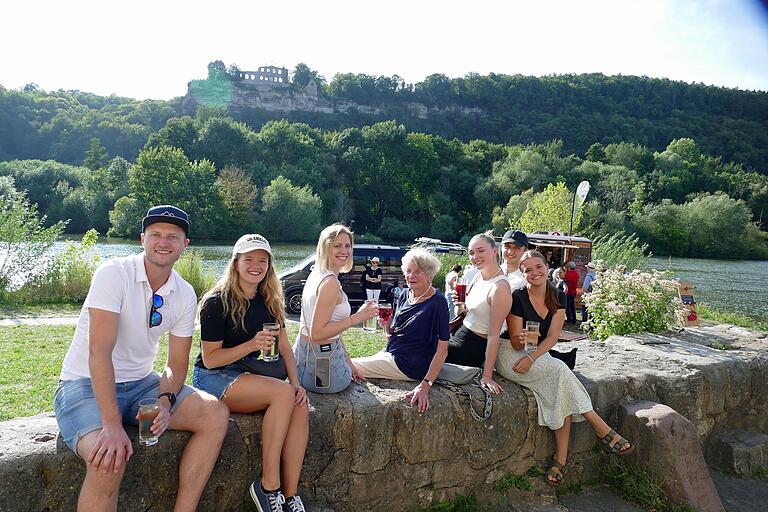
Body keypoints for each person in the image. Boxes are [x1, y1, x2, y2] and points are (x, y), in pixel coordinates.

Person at [53, 205, 229, 512]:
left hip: (140, 386)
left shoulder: (185, 293)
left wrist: (164, 400)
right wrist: (110, 425)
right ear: (142, 239)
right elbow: (99, 352)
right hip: (85, 383)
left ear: (184, 245)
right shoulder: (114, 273)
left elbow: (176, 363)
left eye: (173, 236)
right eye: (156, 235)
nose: (164, 242)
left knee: (214, 414)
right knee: (108, 458)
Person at [496, 250, 634, 487]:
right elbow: (518, 343)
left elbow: (552, 338)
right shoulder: (517, 296)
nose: (534, 272)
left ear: (546, 266)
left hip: (539, 355)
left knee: (560, 386)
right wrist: (527, 343)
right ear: (522, 273)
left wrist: (534, 355)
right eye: (527, 269)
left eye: (538, 266)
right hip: (511, 354)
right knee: (560, 372)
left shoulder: (558, 296)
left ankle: (561, 459)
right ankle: (601, 429)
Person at [192, 234, 309, 512]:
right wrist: (251, 345)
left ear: (269, 265)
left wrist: (296, 383)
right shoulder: (216, 302)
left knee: (299, 404)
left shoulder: (269, 299)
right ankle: (268, 487)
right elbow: (210, 360)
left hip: (249, 373)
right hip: (215, 375)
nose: (256, 266)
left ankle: (289, 496)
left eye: (262, 260)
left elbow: (285, 348)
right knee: (282, 395)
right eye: (249, 259)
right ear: (235, 263)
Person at [352, 248, 451, 412]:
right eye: (409, 271)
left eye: (418, 271)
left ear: (430, 275)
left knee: (348, 365)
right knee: (349, 363)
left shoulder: (437, 301)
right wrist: (386, 325)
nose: (411, 276)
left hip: (409, 365)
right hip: (391, 353)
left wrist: (425, 385)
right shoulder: (405, 294)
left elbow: (442, 350)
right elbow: (393, 335)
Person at [294, 224, 379, 393]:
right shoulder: (330, 283)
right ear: (325, 247)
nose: (344, 251)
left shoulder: (316, 273)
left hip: (301, 364)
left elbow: (330, 328)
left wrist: (349, 363)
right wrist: (358, 317)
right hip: (323, 372)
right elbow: (317, 333)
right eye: (337, 245)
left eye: (347, 245)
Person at [445, 232, 512, 395]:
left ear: (495, 251)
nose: (475, 256)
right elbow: (467, 314)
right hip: (458, 336)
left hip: (470, 349)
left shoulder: (500, 287)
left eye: (480, 251)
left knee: (418, 352)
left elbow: (494, 335)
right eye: (471, 252)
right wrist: (460, 305)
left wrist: (487, 375)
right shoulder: (477, 278)